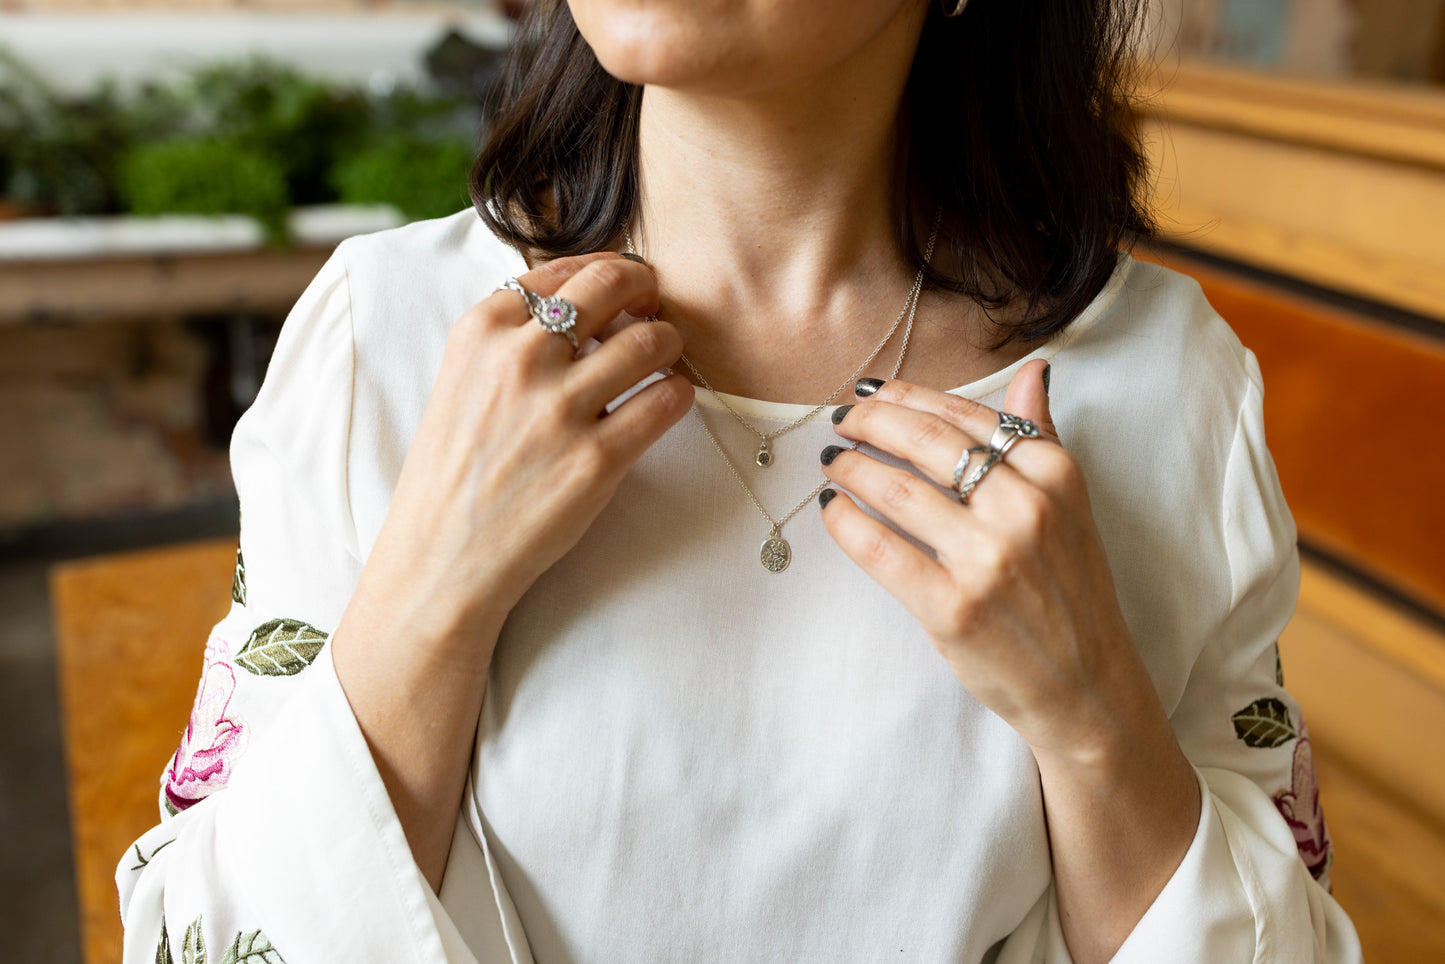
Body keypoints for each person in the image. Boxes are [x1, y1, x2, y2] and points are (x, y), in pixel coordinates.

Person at [119, 0, 1363, 961]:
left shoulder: (1165, 389)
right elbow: (196, 926)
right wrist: (429, 595)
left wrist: (1094, 722)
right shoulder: (379, 339)